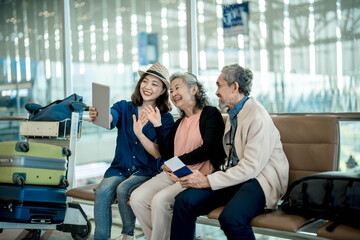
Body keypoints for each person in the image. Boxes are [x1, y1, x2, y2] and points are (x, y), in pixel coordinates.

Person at [170, 64, 289, 240]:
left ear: (235, 87)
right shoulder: (233, 114)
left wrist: (207, 180)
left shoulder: (256, 117)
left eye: (219, 85)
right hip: (235, 177)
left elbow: (251, 168)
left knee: (231, 218)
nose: (216, 92)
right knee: (183, 202)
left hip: (259, 179)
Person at [130, 72, 226, 240]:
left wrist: (177, 161)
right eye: (171, 91)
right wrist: (157, 125)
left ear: (194, 89)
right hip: (175, 172)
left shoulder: (210, 114)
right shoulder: (179, 123)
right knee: (137, 198)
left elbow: (209, 149)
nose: (173, 94)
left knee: (160, 201)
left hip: (198, 175)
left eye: (177, 88)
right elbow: (167, 155)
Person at [89, 63, 174, 240]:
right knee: (103, 192)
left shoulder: (164, 119)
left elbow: (159, 154)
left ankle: (127, 234)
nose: (148, 87)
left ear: (162, 91)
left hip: (146, 171)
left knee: (122, 189)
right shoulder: (124, 107)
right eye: (145, 81)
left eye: (155, 84)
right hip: (121, 168)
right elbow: (110, 118)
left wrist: (140, 134)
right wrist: (100, 115)